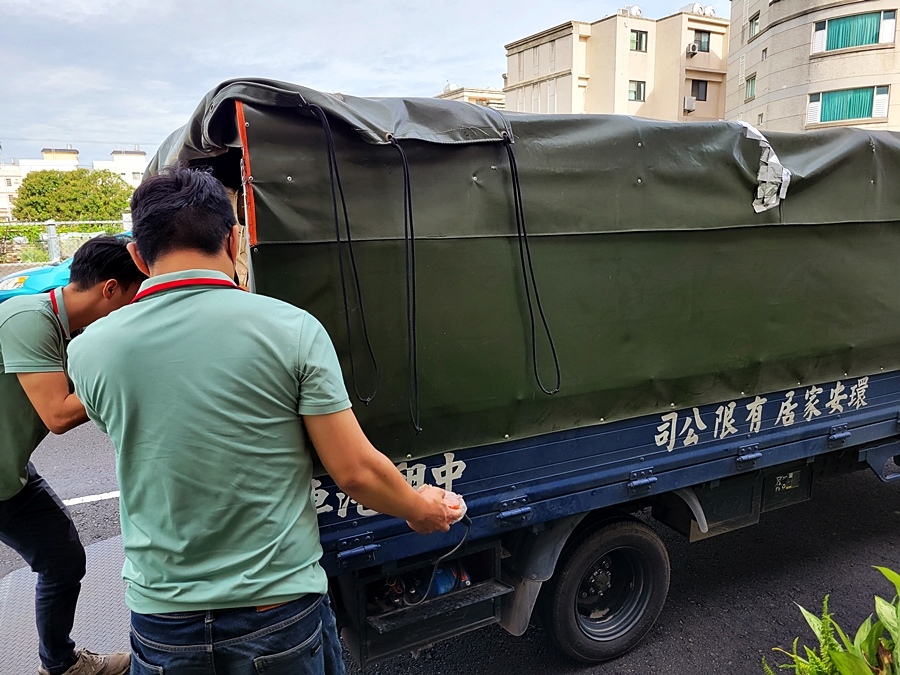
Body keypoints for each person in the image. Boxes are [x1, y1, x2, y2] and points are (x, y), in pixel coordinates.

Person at [67, 166, 459, 675]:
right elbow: (355, 472)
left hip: (162, 617)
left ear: (139, 256)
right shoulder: (291, 329)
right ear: (234, 240)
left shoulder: (90, 350)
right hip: (276, 612)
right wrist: (418, 508)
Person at [0, 235, 145, 675]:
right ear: (111, 289)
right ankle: (61, 664)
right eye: (136, 296)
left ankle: (60, 663)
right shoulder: (29, 320)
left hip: (11, 471)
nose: (135, 309)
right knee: (62, 563)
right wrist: (131, 374)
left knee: (63, 561)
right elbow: (59, 414)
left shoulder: (69, 328)